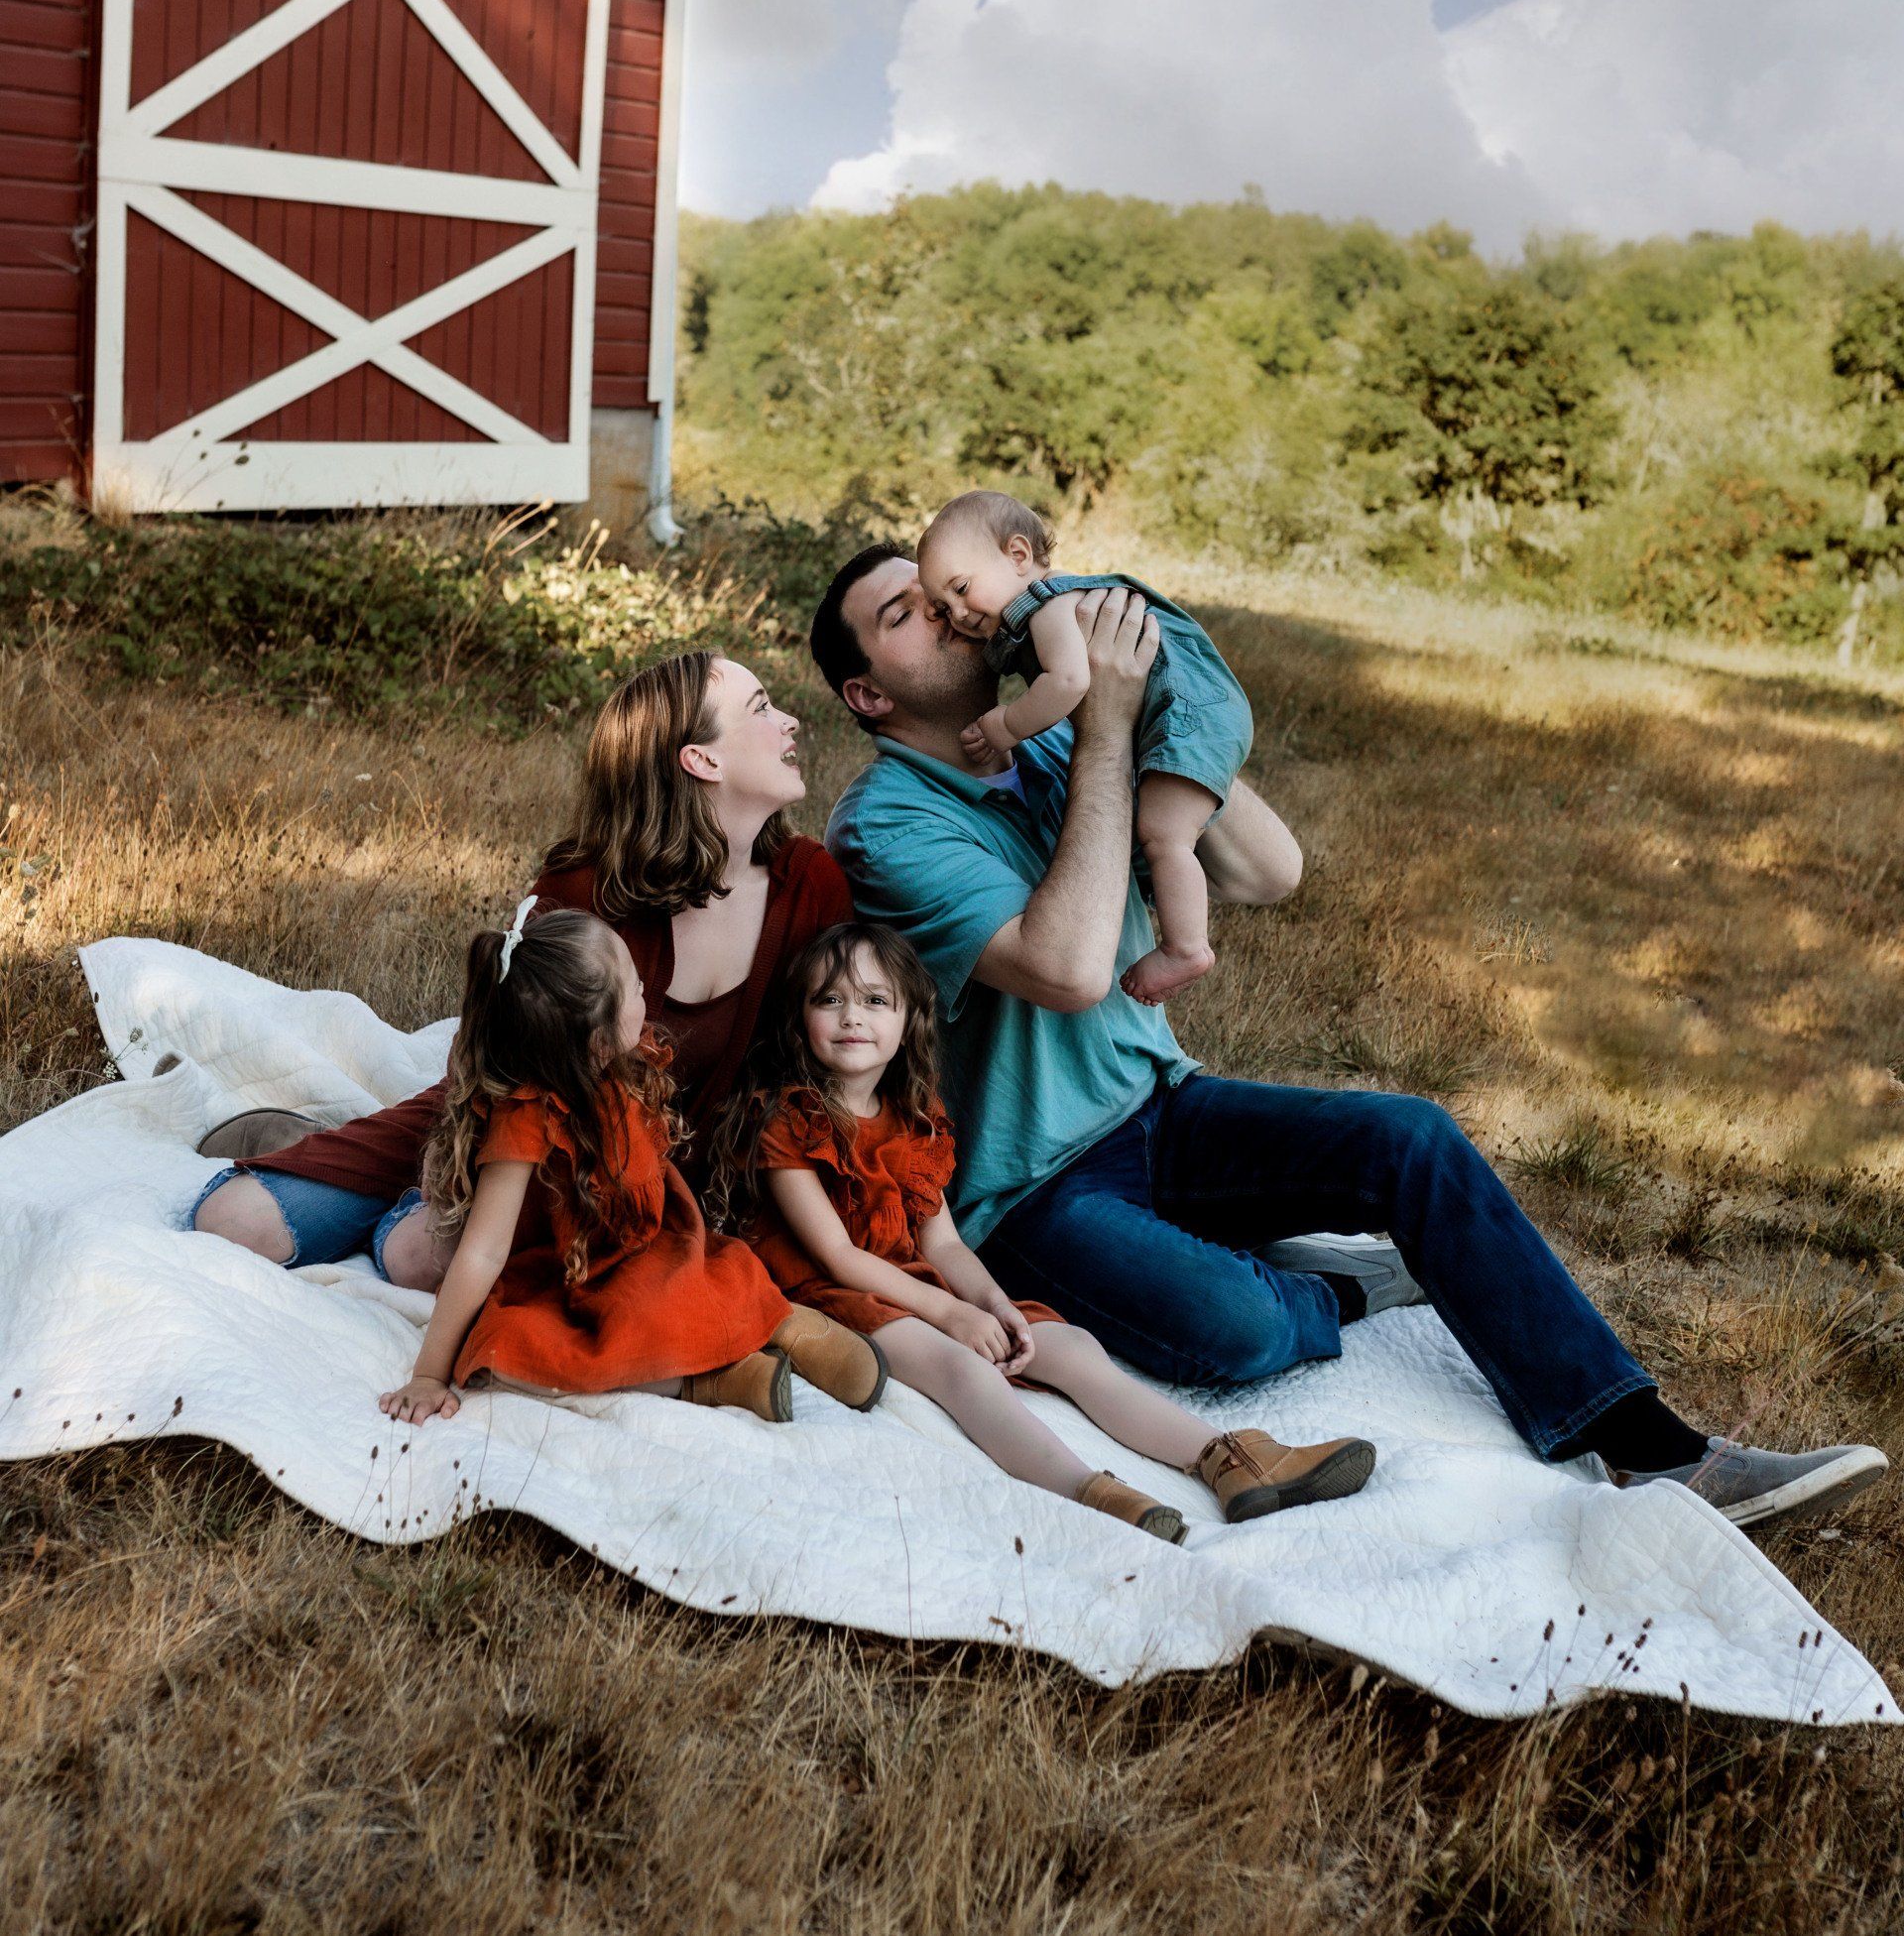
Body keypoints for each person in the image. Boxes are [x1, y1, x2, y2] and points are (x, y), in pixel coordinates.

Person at [805, 543, 1889, 1531]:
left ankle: (1656, 1451)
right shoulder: (889, 821)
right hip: (1030, 1188)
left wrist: (1151, 710)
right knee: (1236, 1328)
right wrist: (1099, 731)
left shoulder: (1046, 740)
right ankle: (1336, 1287)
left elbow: (1268, 870)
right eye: (907, 614)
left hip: (1162, 1106)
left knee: (1409, 1137)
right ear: (866, 691)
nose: (951, 617)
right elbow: (1070, 969)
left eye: (944, 594)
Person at [189, 650, 851, 1288]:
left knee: (425, 1261)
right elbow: (498, 1069)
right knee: (232, 1223)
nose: (790, 722)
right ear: (700, 759)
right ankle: (352, 1164)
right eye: (761, 707)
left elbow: (829, 1068)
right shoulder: (588, 887)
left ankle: (394, 1213)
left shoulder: (811, 885)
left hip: (649, 1183)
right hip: (514, 1141)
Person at [710, 918, 1375, 1537]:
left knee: (1071, 1345)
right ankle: (1090, 1493)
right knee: (964, 1369)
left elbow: (942, 1243)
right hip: (829, 1294)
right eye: (830, 1000)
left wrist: (993, 1305)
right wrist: (953, 1318)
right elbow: (837, 1256)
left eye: (875, 1000)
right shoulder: (790, 1122)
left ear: (910, 1016)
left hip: (913, 1280)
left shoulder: (916, 1117)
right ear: (800, 1020)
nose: (852, 1016)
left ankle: (1228, 1459)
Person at [379, 903, 884, 1426]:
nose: (646, 988)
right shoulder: (527, 1115)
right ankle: (724, 1369)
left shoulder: (620, 1066)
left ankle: (781, 1329)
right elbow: (483, 1252)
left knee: (699, 1279)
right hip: (574, 1268)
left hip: (638, 1248)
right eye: (635, 986)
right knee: (505, 1351)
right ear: (598, 1039)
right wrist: (429, 1375)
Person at [916, 488, 1252, 1005]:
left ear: (1018, 555)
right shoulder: (1038, 608)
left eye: (962, 588)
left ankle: (1187, 947)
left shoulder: (1047, 606)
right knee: (1162, 830)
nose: (958, 613)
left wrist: (1006, 725)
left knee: (1165, 833)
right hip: (1185, 708)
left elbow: (1070, 681)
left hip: (1187, 711)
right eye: (943, 605)